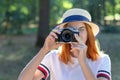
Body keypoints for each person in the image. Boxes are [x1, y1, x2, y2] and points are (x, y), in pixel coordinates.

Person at [18, 8, 111, 80]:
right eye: (71, 30)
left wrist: (82, 61)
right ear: (64, 33)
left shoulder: (102, 59)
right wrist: (44, 50)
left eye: (81, 29)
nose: (76, 34)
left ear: (89, 33)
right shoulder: (53, 57)